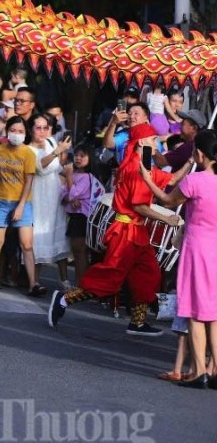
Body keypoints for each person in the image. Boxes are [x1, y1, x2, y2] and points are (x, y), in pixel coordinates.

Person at [48, 122, 183, 335]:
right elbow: (139, 206)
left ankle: (137, 322)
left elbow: (173, 179)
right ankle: (64, 299)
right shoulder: (134, 169)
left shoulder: (145, 166)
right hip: (126, 233)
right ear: (142, 142)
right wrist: (166, 219)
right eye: (153, 139)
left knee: (148, 274)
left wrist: (191, 160)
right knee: (109, 279)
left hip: (138, 232)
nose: (157, 142)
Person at [138, 128, 217, 386]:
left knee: (195, 314)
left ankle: (200, 373)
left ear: (201, 154)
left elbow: (167, 200)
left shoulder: (196, 181)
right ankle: (212, 370)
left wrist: (147, 179)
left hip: (198, 250)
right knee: (214, 315)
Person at [0, 116, 42, 294]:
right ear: (7, 131)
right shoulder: (0, 150)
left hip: (22, 203)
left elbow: (29, 181)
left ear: (26, 133)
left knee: (26, 244)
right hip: (0, 200)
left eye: (20, 131)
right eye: (13, 131)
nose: (16, 134)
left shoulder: (28, 153)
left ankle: (34, 284)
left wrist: (20, 206)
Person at [26, 112, 73, 289]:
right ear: (30, 130)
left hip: (55, 195)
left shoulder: (52, 142)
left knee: (58, 234)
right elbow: (39, 166)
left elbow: (57, 167)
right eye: (38, 128)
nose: (42, 131)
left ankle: (64, 279)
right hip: (38, 197)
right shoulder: (28, 149)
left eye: (45, 127)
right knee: (38, 237)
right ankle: (34, 281)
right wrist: (56, 152)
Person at [60, 144, 104, 287]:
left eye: (82, 156)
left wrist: (68, 179)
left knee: (80, 252)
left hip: (82, 218)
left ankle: (81, 284)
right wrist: (70, 197)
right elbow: (64, 195)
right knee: (77, 251)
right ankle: (80, 283)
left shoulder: (86, 177)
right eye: (76, 155)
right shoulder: (74, 175)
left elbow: (72, 193)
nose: (78, 158)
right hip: (75, 217)